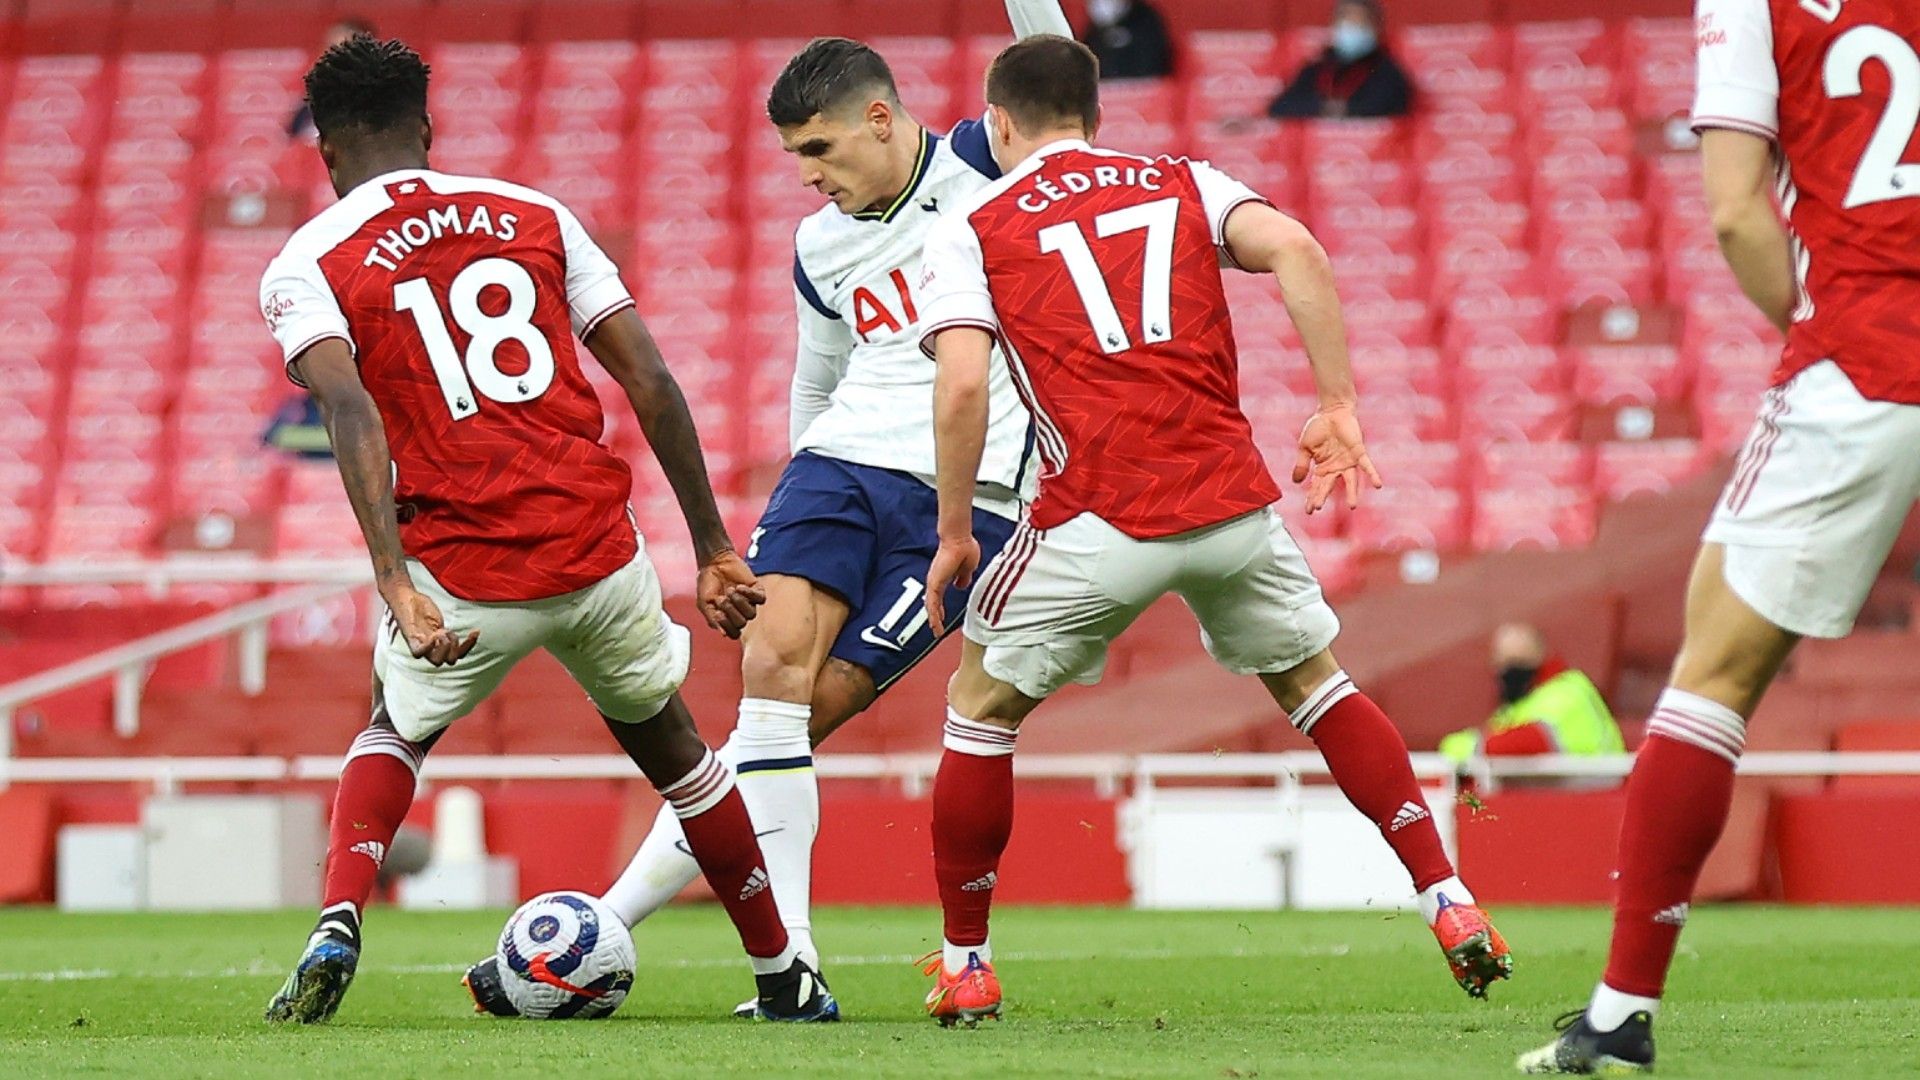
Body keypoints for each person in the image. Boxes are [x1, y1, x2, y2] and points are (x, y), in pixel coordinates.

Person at [460, 2, 1073, 1022]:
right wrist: (794, 495)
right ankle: (790, 972)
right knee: (769, 675)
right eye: (794, 156)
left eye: (820, 148)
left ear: (882, 118)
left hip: (977, 499)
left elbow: (1057, 66)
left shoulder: (990, 163)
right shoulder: (819, 244)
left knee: (799, 716)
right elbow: (817, 373)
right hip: (838, 470)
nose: (808, 174)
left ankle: (608, 923)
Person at [914, 34, 1509, 1026]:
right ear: (1096, 117)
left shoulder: (971, 225)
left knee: (979, 713)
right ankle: (1447, 900)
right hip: (1231, 507)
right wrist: (1337, 405)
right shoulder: (1184, 178)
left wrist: (950, 531)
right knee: (1319, 688)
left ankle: (966, 961)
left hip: (1093, 516)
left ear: (999, 124)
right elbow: (1299, 250)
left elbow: (965, 377)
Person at [256, 34, 834, 1025]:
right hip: (595, 552)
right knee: (682, 757)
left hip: (466, 569)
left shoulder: (307, 261)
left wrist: (393, 578)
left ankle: (338, 921)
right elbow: (647, 378)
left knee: (396, 728)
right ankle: (784, 976)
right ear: (427, 131)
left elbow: (348, 413)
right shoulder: (537, 213)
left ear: (327, 153)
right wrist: (710, 547)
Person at [1518, 0, 1920, 1072]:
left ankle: (1617, 1014)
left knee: (1712, 677)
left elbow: (1740, 213)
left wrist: (1818, 329)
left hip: (1868, 356)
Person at [1439, 623, 1622, 764]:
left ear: (1541, 657)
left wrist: (1457, 747)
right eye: (1505, 662)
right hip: (1558, 798)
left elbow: (1527, 741)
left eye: (1519, 661)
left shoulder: (1567, 691)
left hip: (1599, 794)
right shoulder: (1517, 705)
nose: (1511, 671)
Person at [1267, 0, 1412, 119]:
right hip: (1318, 151)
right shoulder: (1317, 68)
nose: (1352, 28)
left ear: (1375, 28)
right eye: (1346, 21)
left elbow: (1390, 105)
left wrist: (1347, 109)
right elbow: (1280, 106)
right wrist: (1322, 107)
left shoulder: (1387, 71)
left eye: (1359, 23)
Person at [287, 17, 376, 142]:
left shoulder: (378, 98)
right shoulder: (312, 100)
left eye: (340, 51)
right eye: (328, 49)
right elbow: (294, 136)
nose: (329, 58)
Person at [1081, 0, 1175, 81]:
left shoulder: (1147, 21)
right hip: (1106, 97)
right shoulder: (1093, 32)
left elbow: (1154, 66)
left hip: (1143, 95)